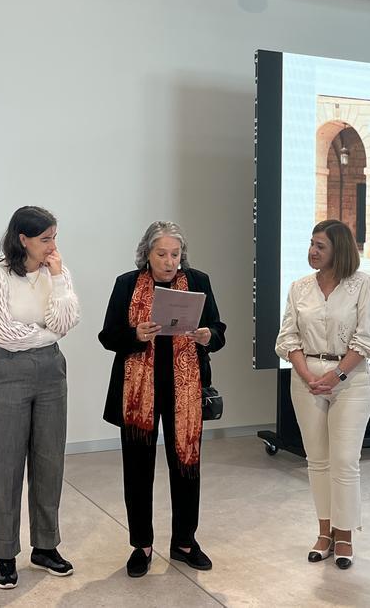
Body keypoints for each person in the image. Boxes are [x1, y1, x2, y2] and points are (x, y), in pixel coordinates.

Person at [99, 221, 226, 578]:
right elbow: (108, 336)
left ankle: (185, 542)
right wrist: (136, 334)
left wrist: (207, 335)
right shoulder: (127, 284)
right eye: (162, 254)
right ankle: (141, 545)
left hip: (184, 390)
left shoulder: (198, 281)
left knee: (186, 466)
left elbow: (219, 330)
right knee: (137, 470)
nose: (170, 261)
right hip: (138, 392)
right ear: (147, 254)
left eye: (175, 254)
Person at [0, 206, 82, 589]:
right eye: (45, 239)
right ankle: (5, 553)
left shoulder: (59, 272)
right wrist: (47, 334)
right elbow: (3, 332)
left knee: (49, 461)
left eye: (55, 236)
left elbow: (66, 320)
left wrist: (56, 279)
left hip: (51, 373)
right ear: (23, 239)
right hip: (7, 374)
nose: (53, 246)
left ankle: (45, 546)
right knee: (6, 465)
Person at [275, 220, 370, 570]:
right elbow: (287, 337)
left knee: (345, 461)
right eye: (311, 243)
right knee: (317, 460)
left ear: (339, 250)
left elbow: (367, 340)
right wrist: (306, 373)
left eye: (320, 245)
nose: (312, 250)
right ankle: (325, 533)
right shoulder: (299, 287)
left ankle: (345, 534)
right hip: (306, 380)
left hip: (349, 381)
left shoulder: (364, 286)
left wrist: (335, 375)